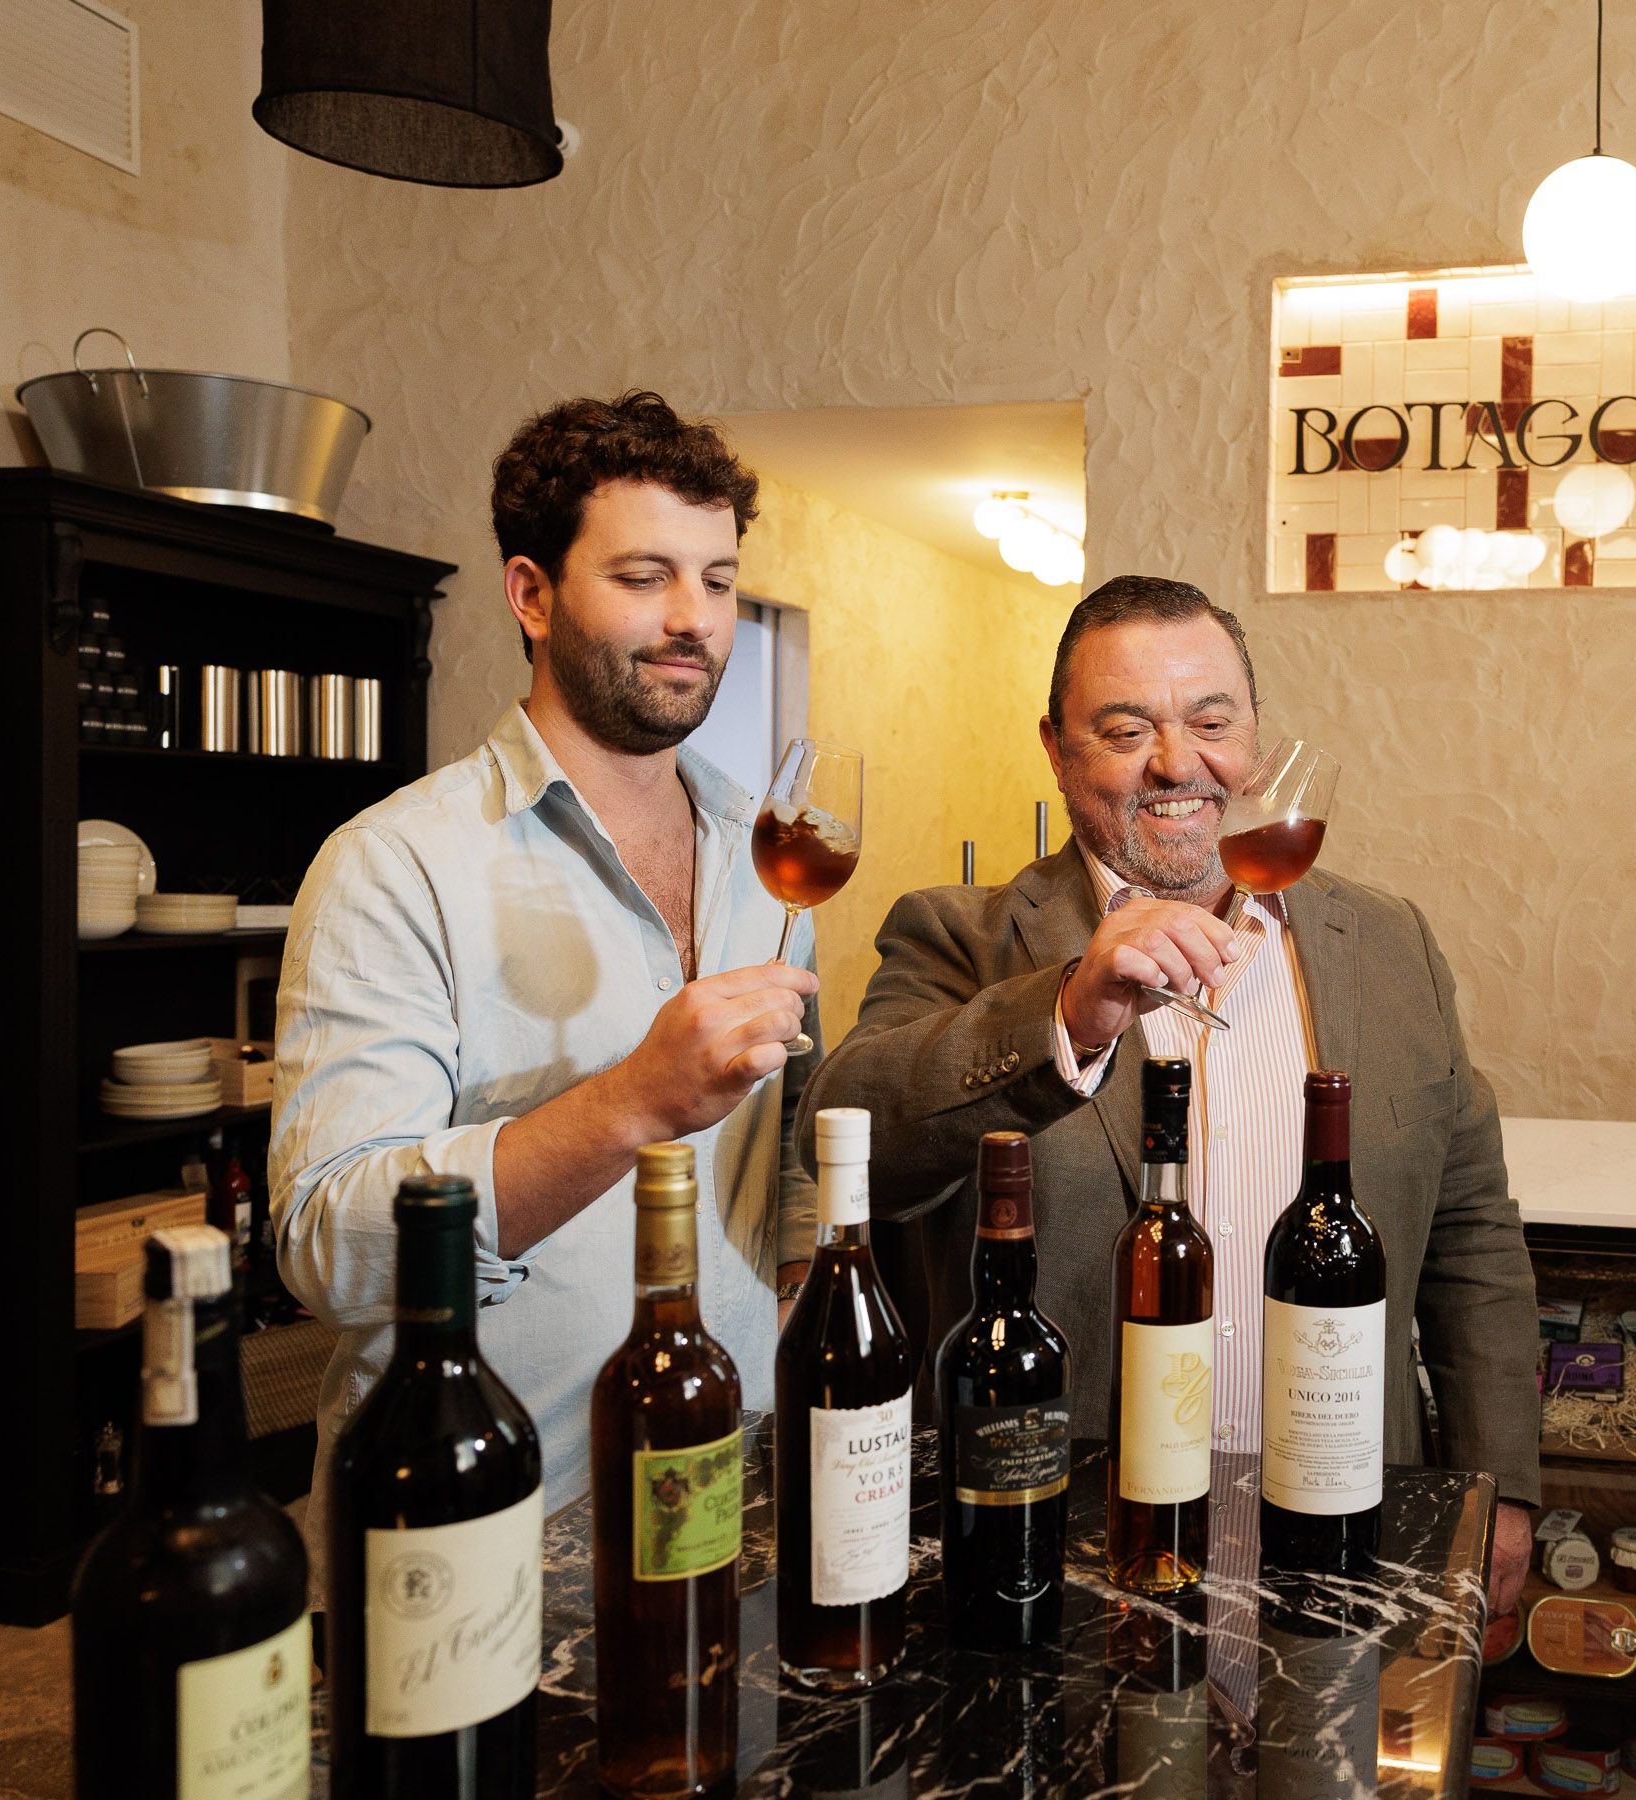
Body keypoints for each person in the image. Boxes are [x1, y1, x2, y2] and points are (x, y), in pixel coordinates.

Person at [801, 575, 1540, 1617]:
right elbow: (843, 1134)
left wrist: (1500, 1490)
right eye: (1123, 729)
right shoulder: (959, 938)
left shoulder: (1389, 942)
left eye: (1210, 721)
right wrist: (1069, 1007)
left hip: (1349, 1521)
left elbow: (1471, 1235)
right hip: (1057, 1543)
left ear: (1254, 736)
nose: (1176, 764)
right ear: (1056, 749)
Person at [270, 392, 820, 1582]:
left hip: (723, 1497)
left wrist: (790, 1285)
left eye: (719, 582)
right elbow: (326, 1244)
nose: (694, 621)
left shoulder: (765, 863)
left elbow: (780, 1153)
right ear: (530, 594)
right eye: (644, 576)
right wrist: (627, 1103)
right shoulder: (395, 866)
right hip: (480, 1523)